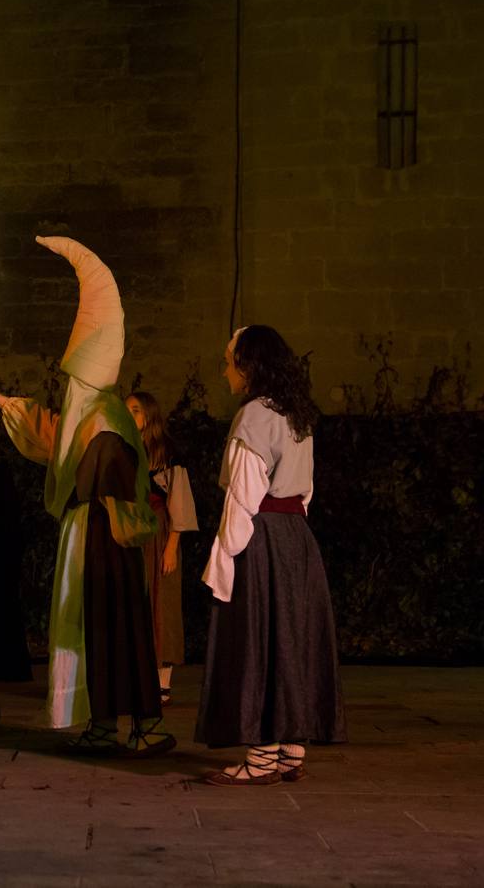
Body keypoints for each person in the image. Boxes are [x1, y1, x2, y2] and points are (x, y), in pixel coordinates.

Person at [0, 236, 168, 756]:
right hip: (90, 536)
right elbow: (55, 432)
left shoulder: (107, 423)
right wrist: (2, 402)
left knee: (110, 628)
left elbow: (97, 468)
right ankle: (105, 721)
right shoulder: (93, 415)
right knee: (93, 632)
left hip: (104, 542)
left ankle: (137, 724)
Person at [197, 325, 346, 785]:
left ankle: (261, 756)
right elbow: (307, 491)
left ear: (248, 365)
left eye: (229, 362)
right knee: (292, 639)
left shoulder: (255, 416)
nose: (225, 371)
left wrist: (223, 558)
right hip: (297, 539)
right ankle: (289, 752)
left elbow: (243, 496)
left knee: (258, 639)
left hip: (261, 537)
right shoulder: (296, 415)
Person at [125, 391, 198, 706]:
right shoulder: (123, 450)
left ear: (149, 415)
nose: (130, 415)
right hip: (131, 533)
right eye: (126, 409)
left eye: (136, 410)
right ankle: (136, 677)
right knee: (136, 602)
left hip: (159, 533)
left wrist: (171, 547)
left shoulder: (166, 453)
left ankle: (162, 683)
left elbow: (178, 503)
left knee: (162, 603)